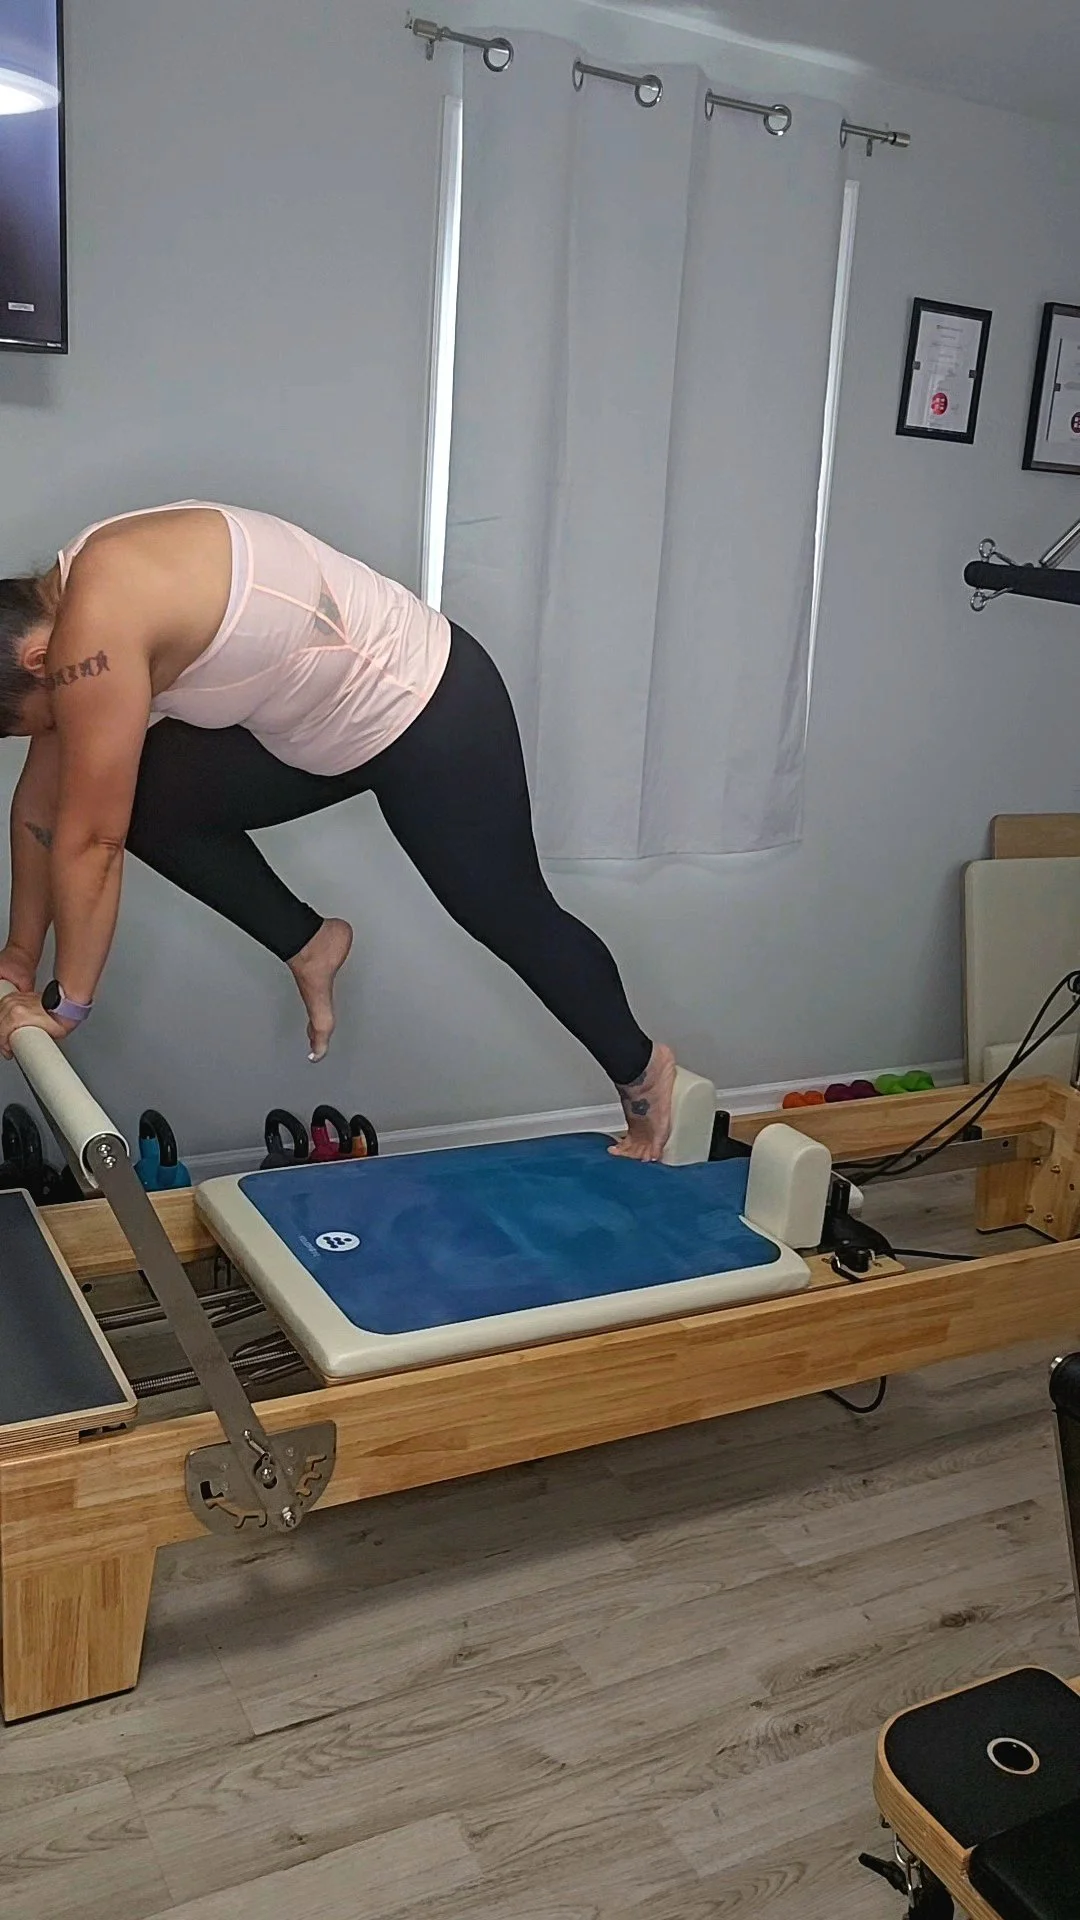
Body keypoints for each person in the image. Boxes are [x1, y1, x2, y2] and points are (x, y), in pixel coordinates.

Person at [0, 502, 678, 1159]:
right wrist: (20, 957)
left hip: (424, 712)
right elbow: (41, 806)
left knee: (510, 916)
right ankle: (310, 942)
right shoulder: (77, 600)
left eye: (43, 720)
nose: (54, 729)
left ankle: (641, 1070)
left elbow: (93, 842)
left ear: (38, 662)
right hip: (309, 734)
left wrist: (65, 1007)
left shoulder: (96, 627)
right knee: (138, 799)